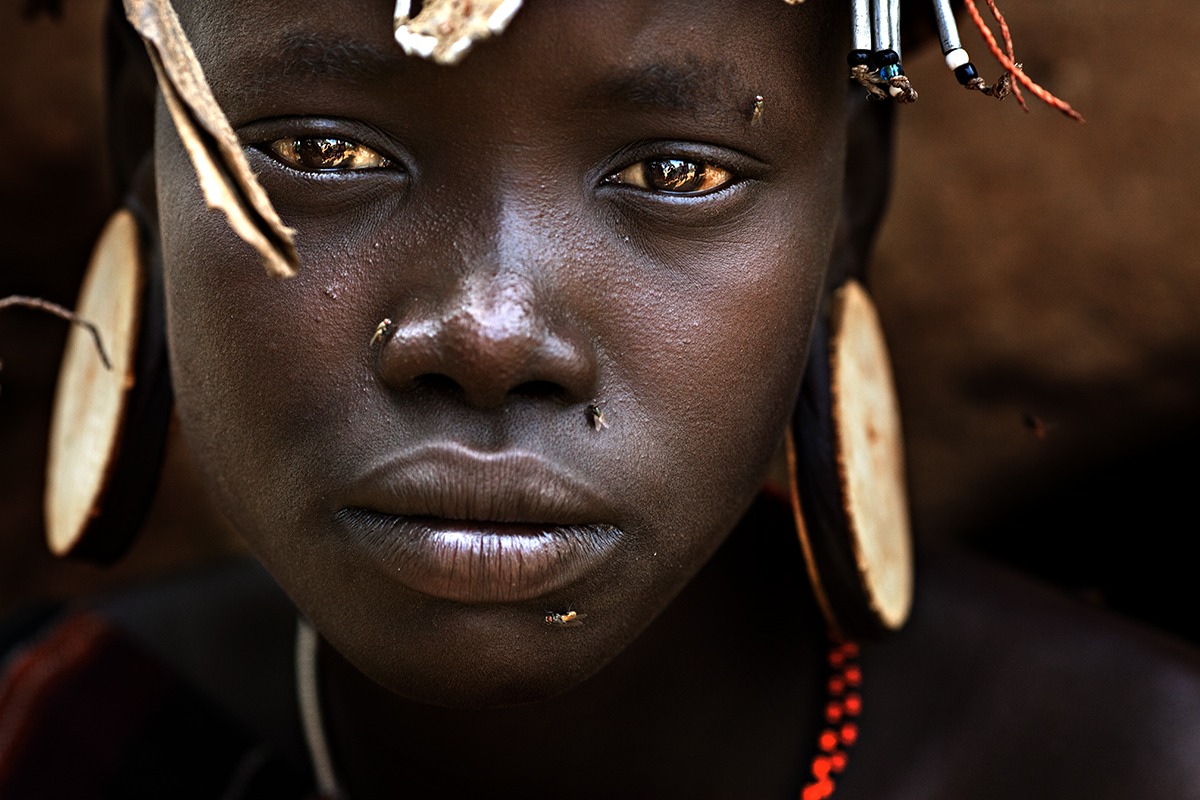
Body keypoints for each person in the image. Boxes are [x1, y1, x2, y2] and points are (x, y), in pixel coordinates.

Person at [3, 0, 1200, 797]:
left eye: (671, 171)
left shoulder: (1144, 766)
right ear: (137, 136)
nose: (487, 332)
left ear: (851, 197)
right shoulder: (49, 732)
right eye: (323, 152)